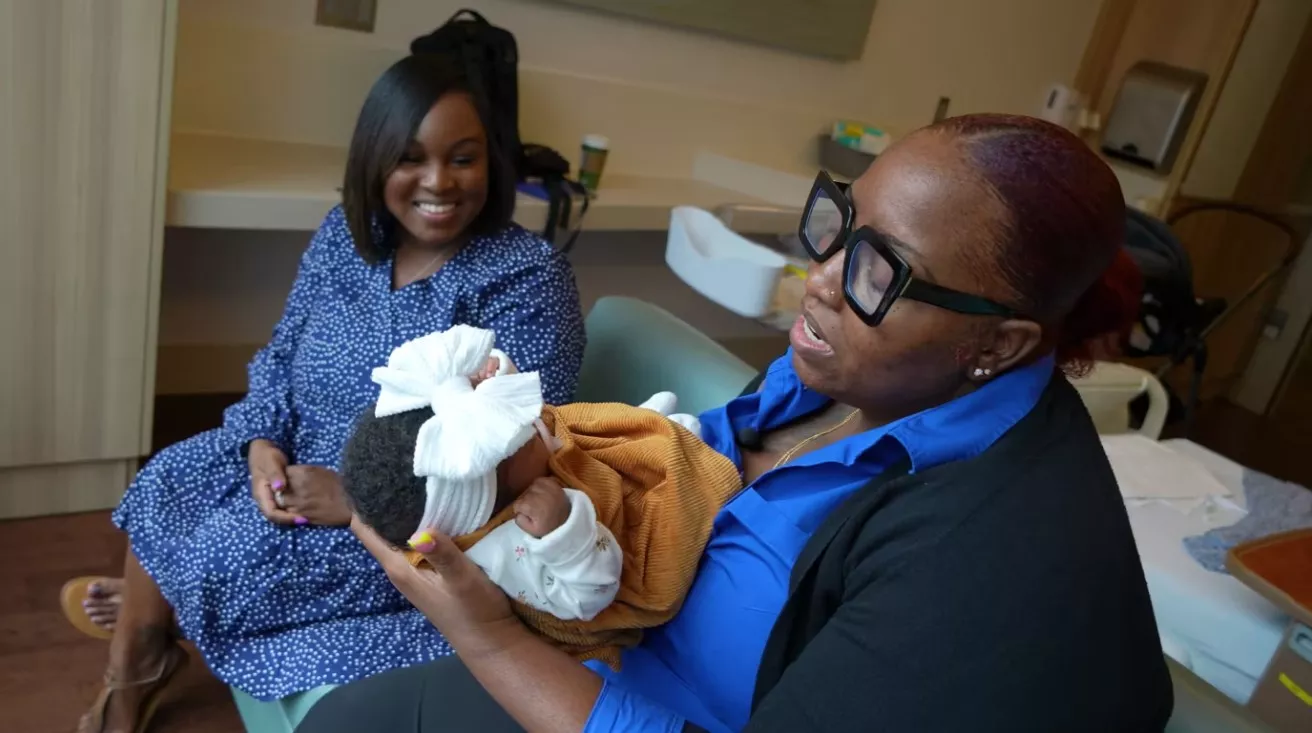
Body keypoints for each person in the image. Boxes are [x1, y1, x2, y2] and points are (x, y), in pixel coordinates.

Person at [298, 114, 1174, 733]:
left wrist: (483, 633)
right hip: (596, 663)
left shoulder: (984, 560)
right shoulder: (835, 374)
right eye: (839, 223)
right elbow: (668, 470)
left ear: (998, 342)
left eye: (881, 270)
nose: (821, 276)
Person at [67, 54, 586, 733]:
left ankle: (137, 655)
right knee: (167, 478)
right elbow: (283, 348)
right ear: (375, 161)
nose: (438, 182)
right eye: (410, 157)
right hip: (294, 456)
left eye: (463, 158)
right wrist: (259, 442)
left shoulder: (527, 277)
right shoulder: (348, 235)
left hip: (401, 520)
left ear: (492, 163)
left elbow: (518, 452)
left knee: (226, 556)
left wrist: (353, 499)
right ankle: (149, 634)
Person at [341, 325, 740, 665]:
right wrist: (563, 534)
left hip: (572, 473)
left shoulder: (494, 455)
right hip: (604, 556)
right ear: (495, 497)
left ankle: (644, 433)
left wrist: (486, 376)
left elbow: (509, 408)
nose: (527, 424)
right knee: (636, 496)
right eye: (515, 439)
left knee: (565, 427)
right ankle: (666, 454)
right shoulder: (508, 549)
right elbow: (587, 598)